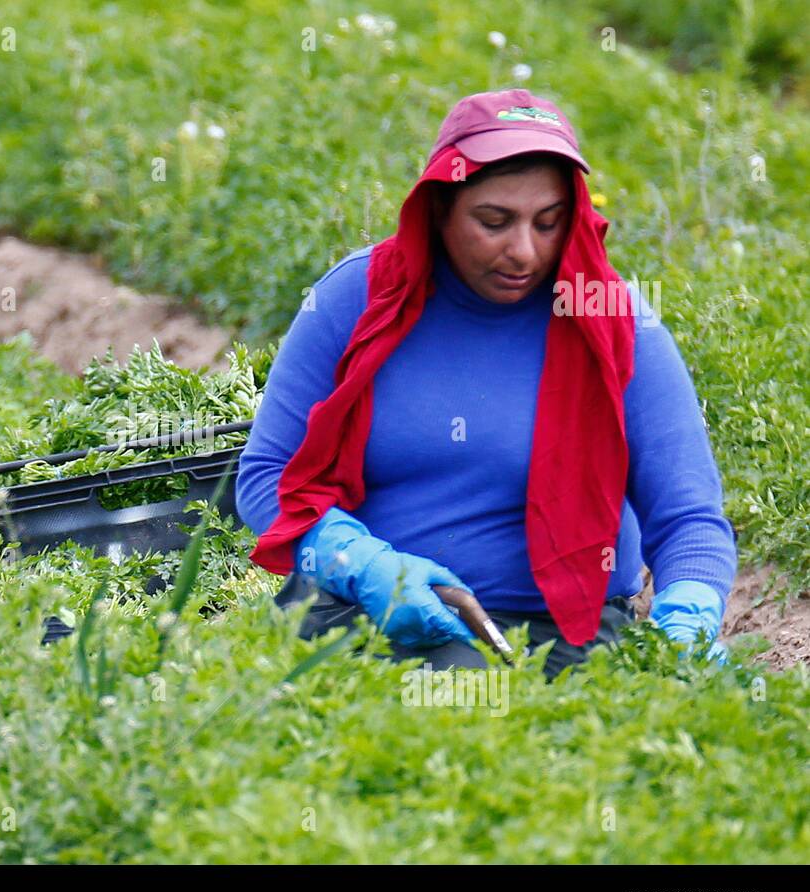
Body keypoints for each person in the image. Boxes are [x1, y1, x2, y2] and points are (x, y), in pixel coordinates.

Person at [235, 89, 737, 679]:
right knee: (446, 699)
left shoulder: (612, 321)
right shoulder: (357, 300)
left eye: (547, 223)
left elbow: (689, 519)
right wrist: (363, 563)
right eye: (493, 222)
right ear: (440, 208)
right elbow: (268, 477)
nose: (523, 251)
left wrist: (689, 617)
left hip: (569, 633)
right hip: (371, 615)